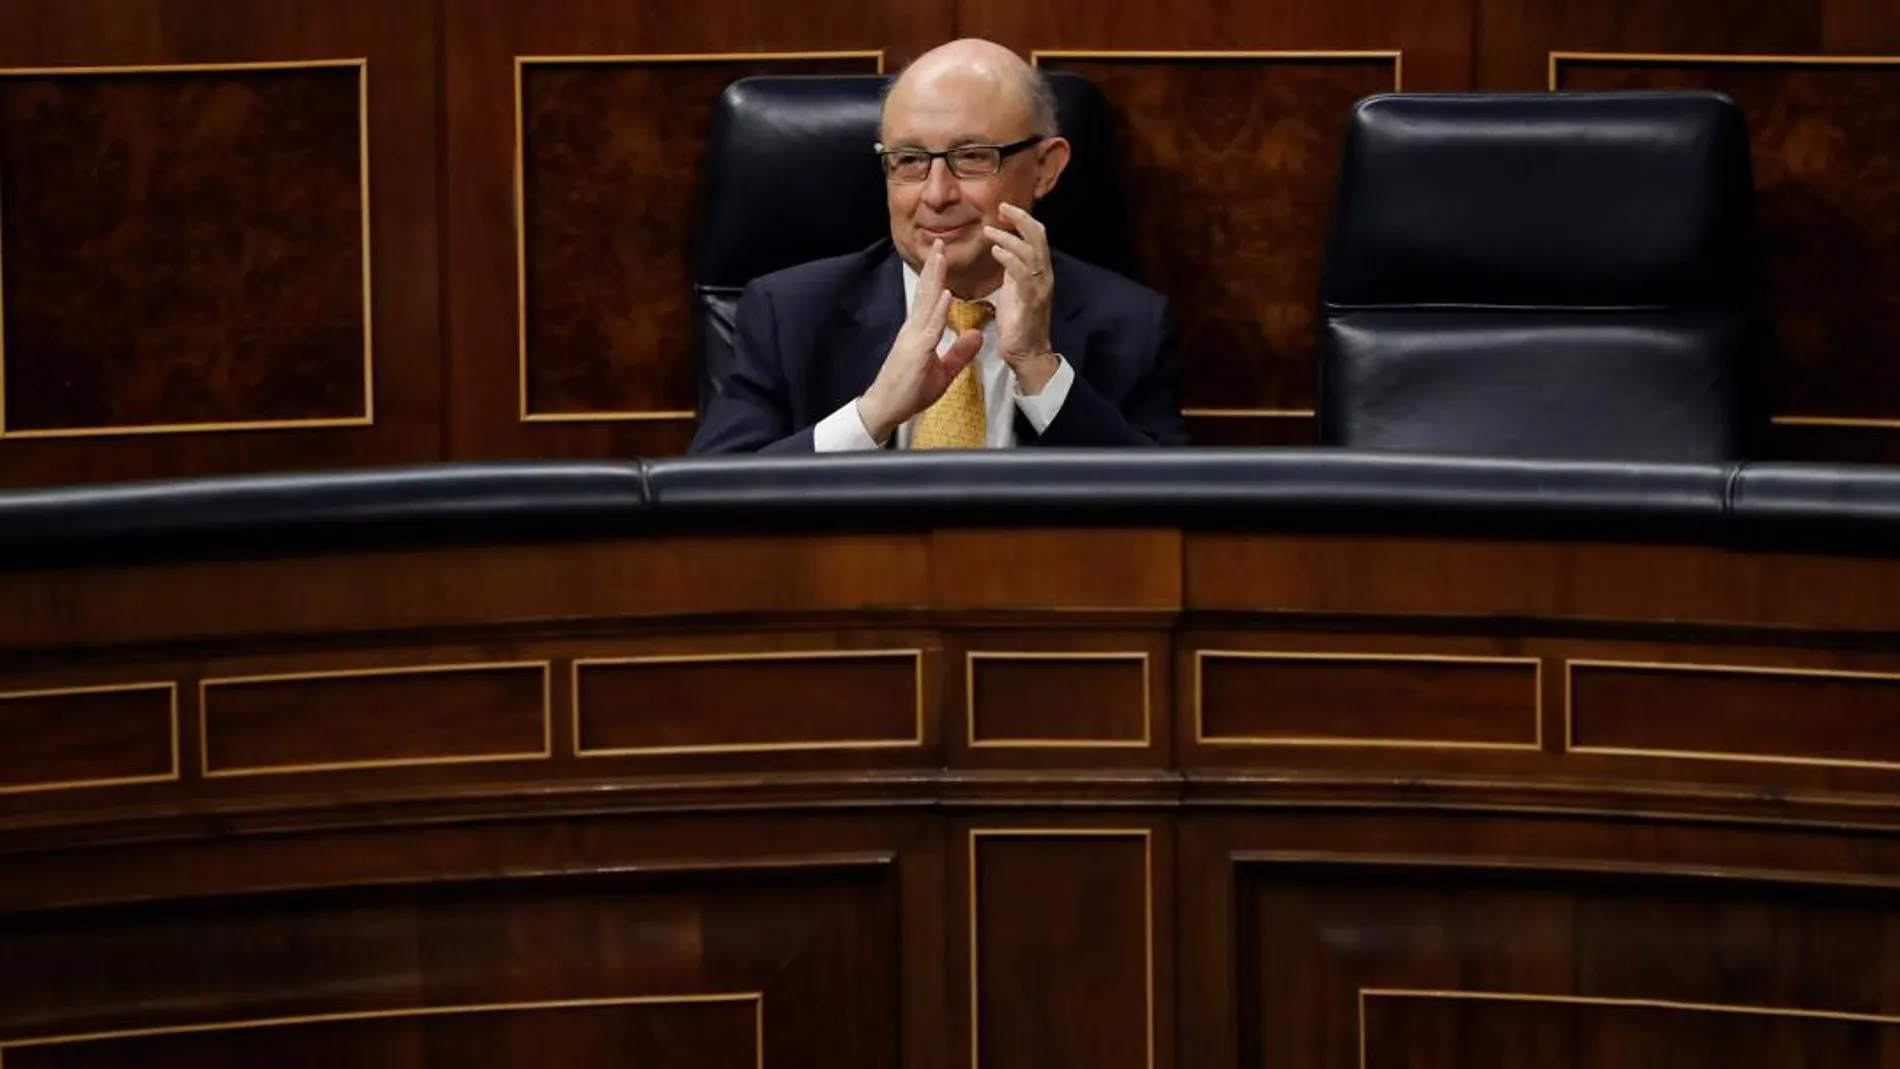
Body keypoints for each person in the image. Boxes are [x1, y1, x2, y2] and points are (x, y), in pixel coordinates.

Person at [688, 38, 1190, 454]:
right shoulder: (789, 316)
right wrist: (872, 414)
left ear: (1045, 168)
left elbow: (1175, 515)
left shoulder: (1129, 326)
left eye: (971, 157)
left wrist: (1039, 368)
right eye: (909, 160)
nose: (935, 194)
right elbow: (706, 500)